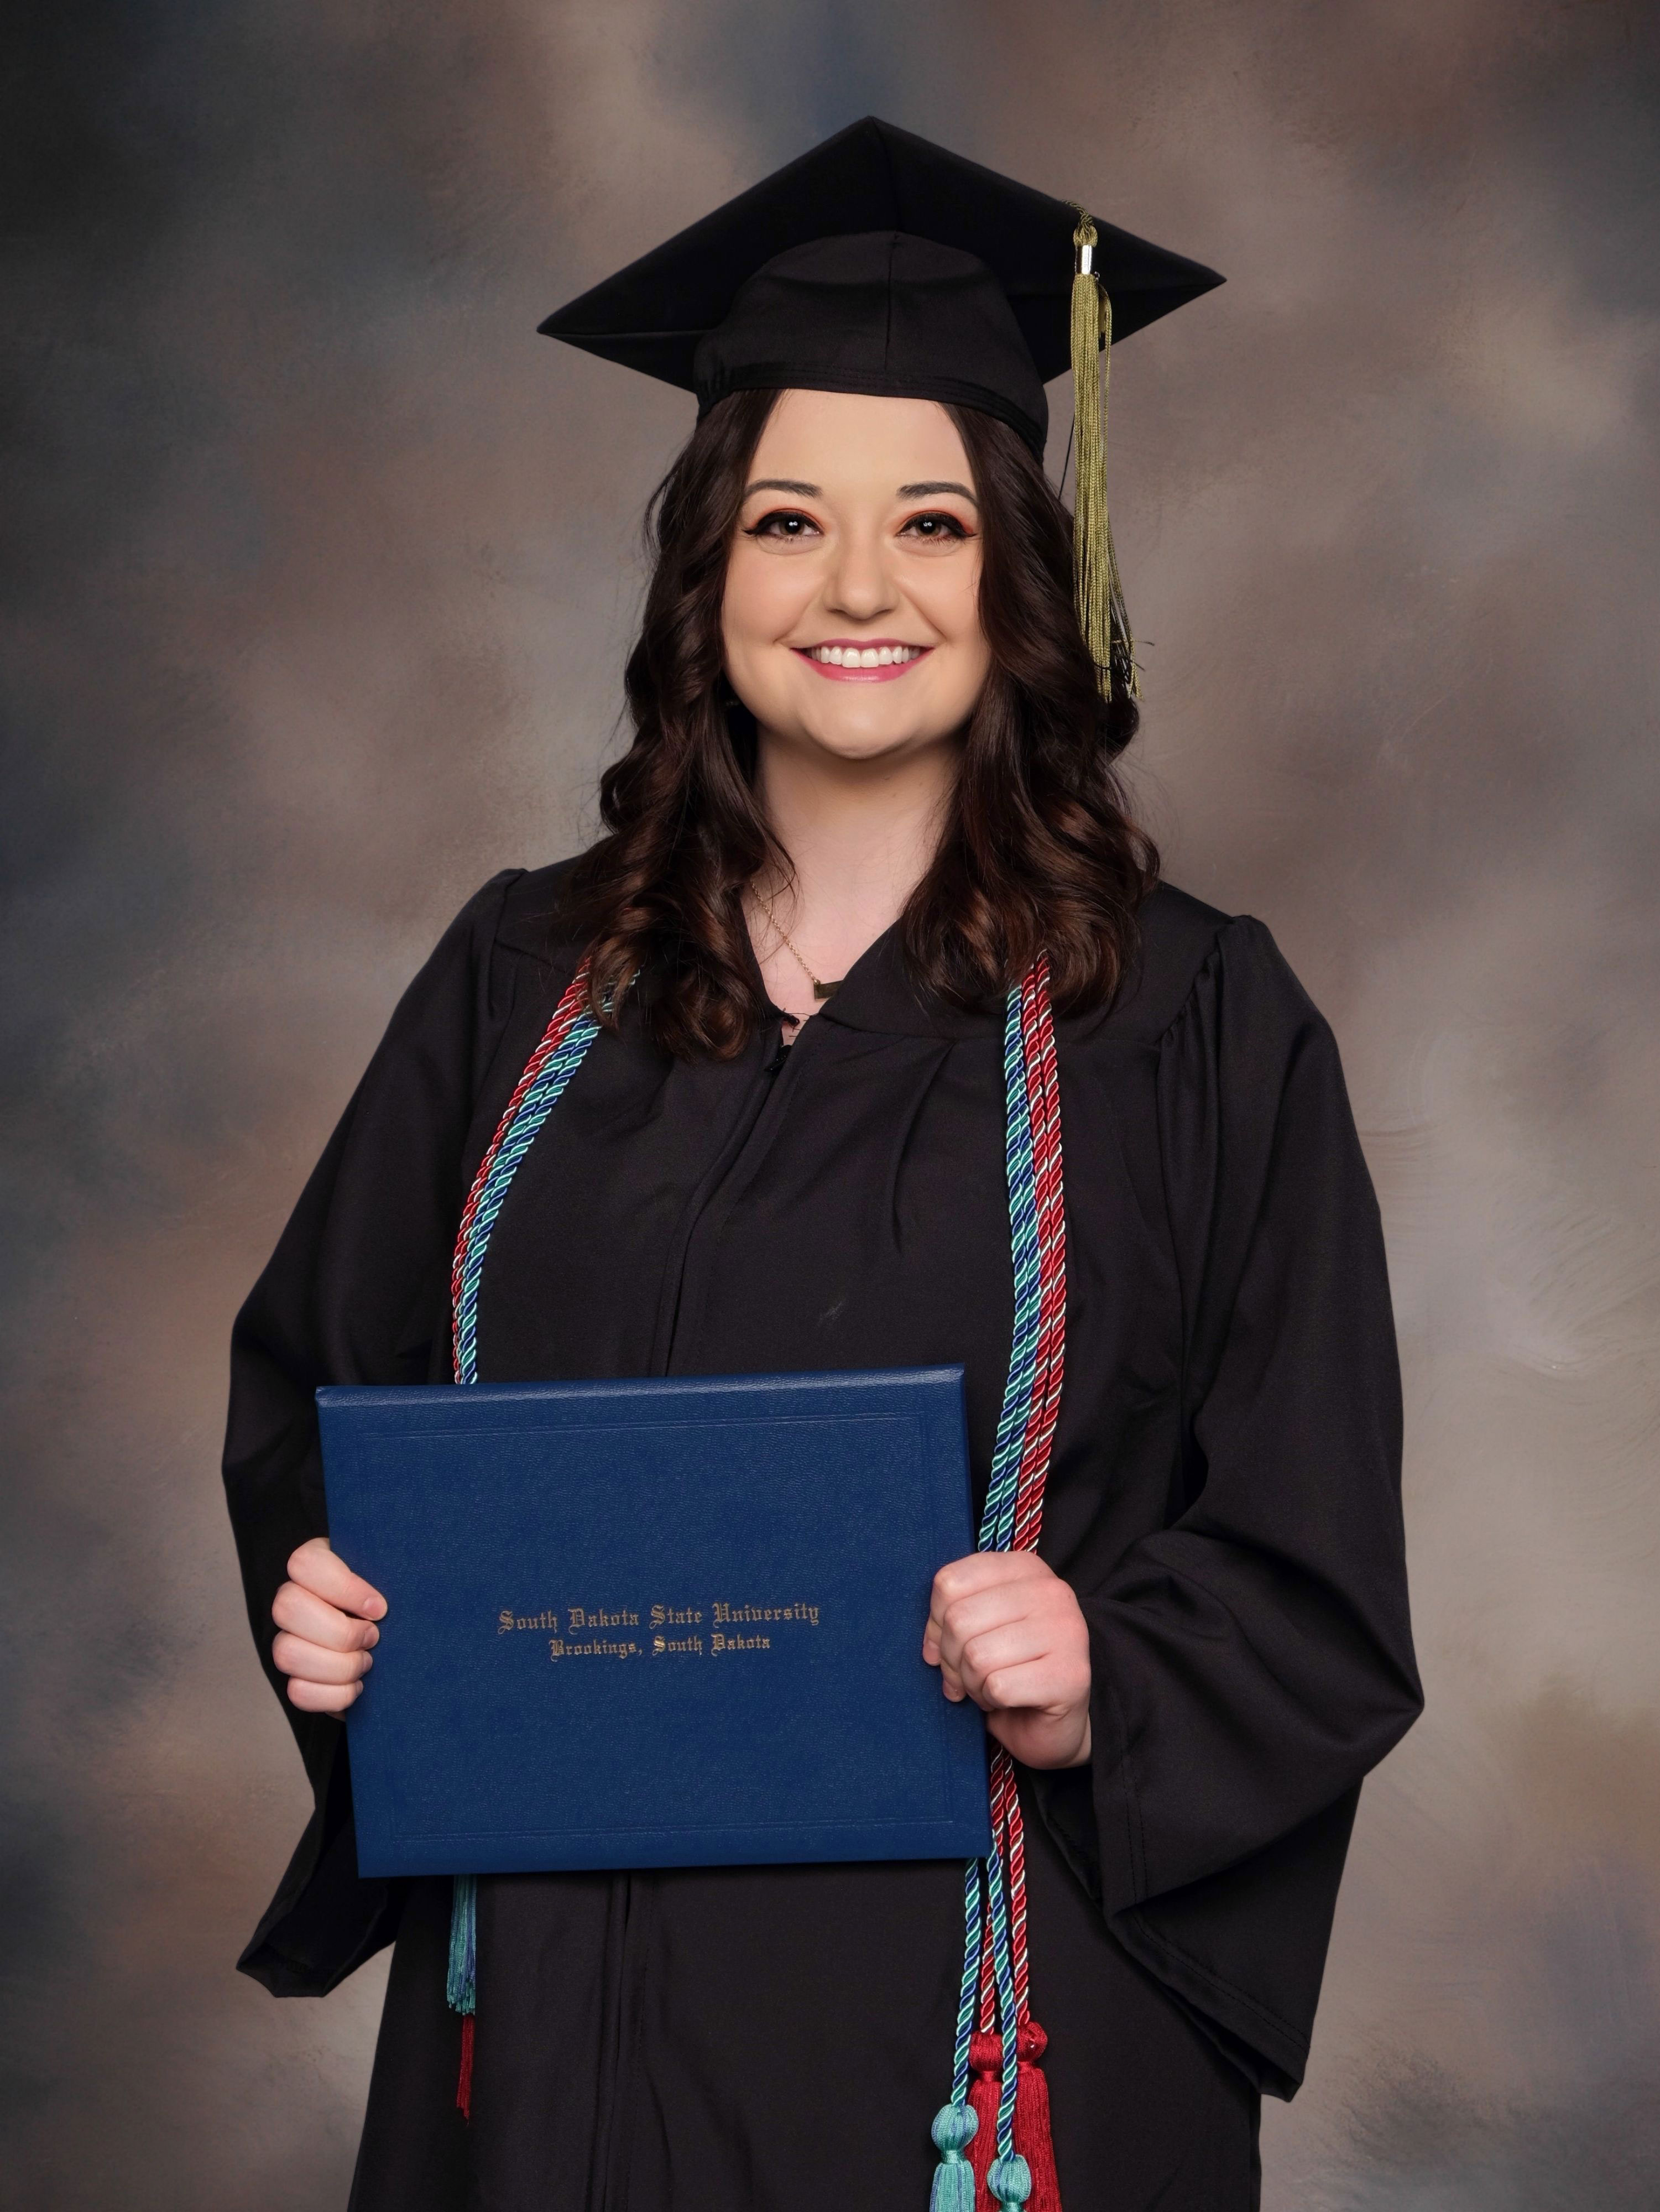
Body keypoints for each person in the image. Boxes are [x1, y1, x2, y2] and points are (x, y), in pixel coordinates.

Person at [224, 118, 1422, 2212]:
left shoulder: (1194, 1026)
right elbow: (329, 1414)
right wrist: (333, 1608)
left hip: (985, 2058)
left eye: (934, 526)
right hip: (558, 2038)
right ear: (712, 574)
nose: (859, 588)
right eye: (790, 519)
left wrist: (1104, 1679)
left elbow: (1310, 1564)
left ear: (1020, 580)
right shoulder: (524, 976)